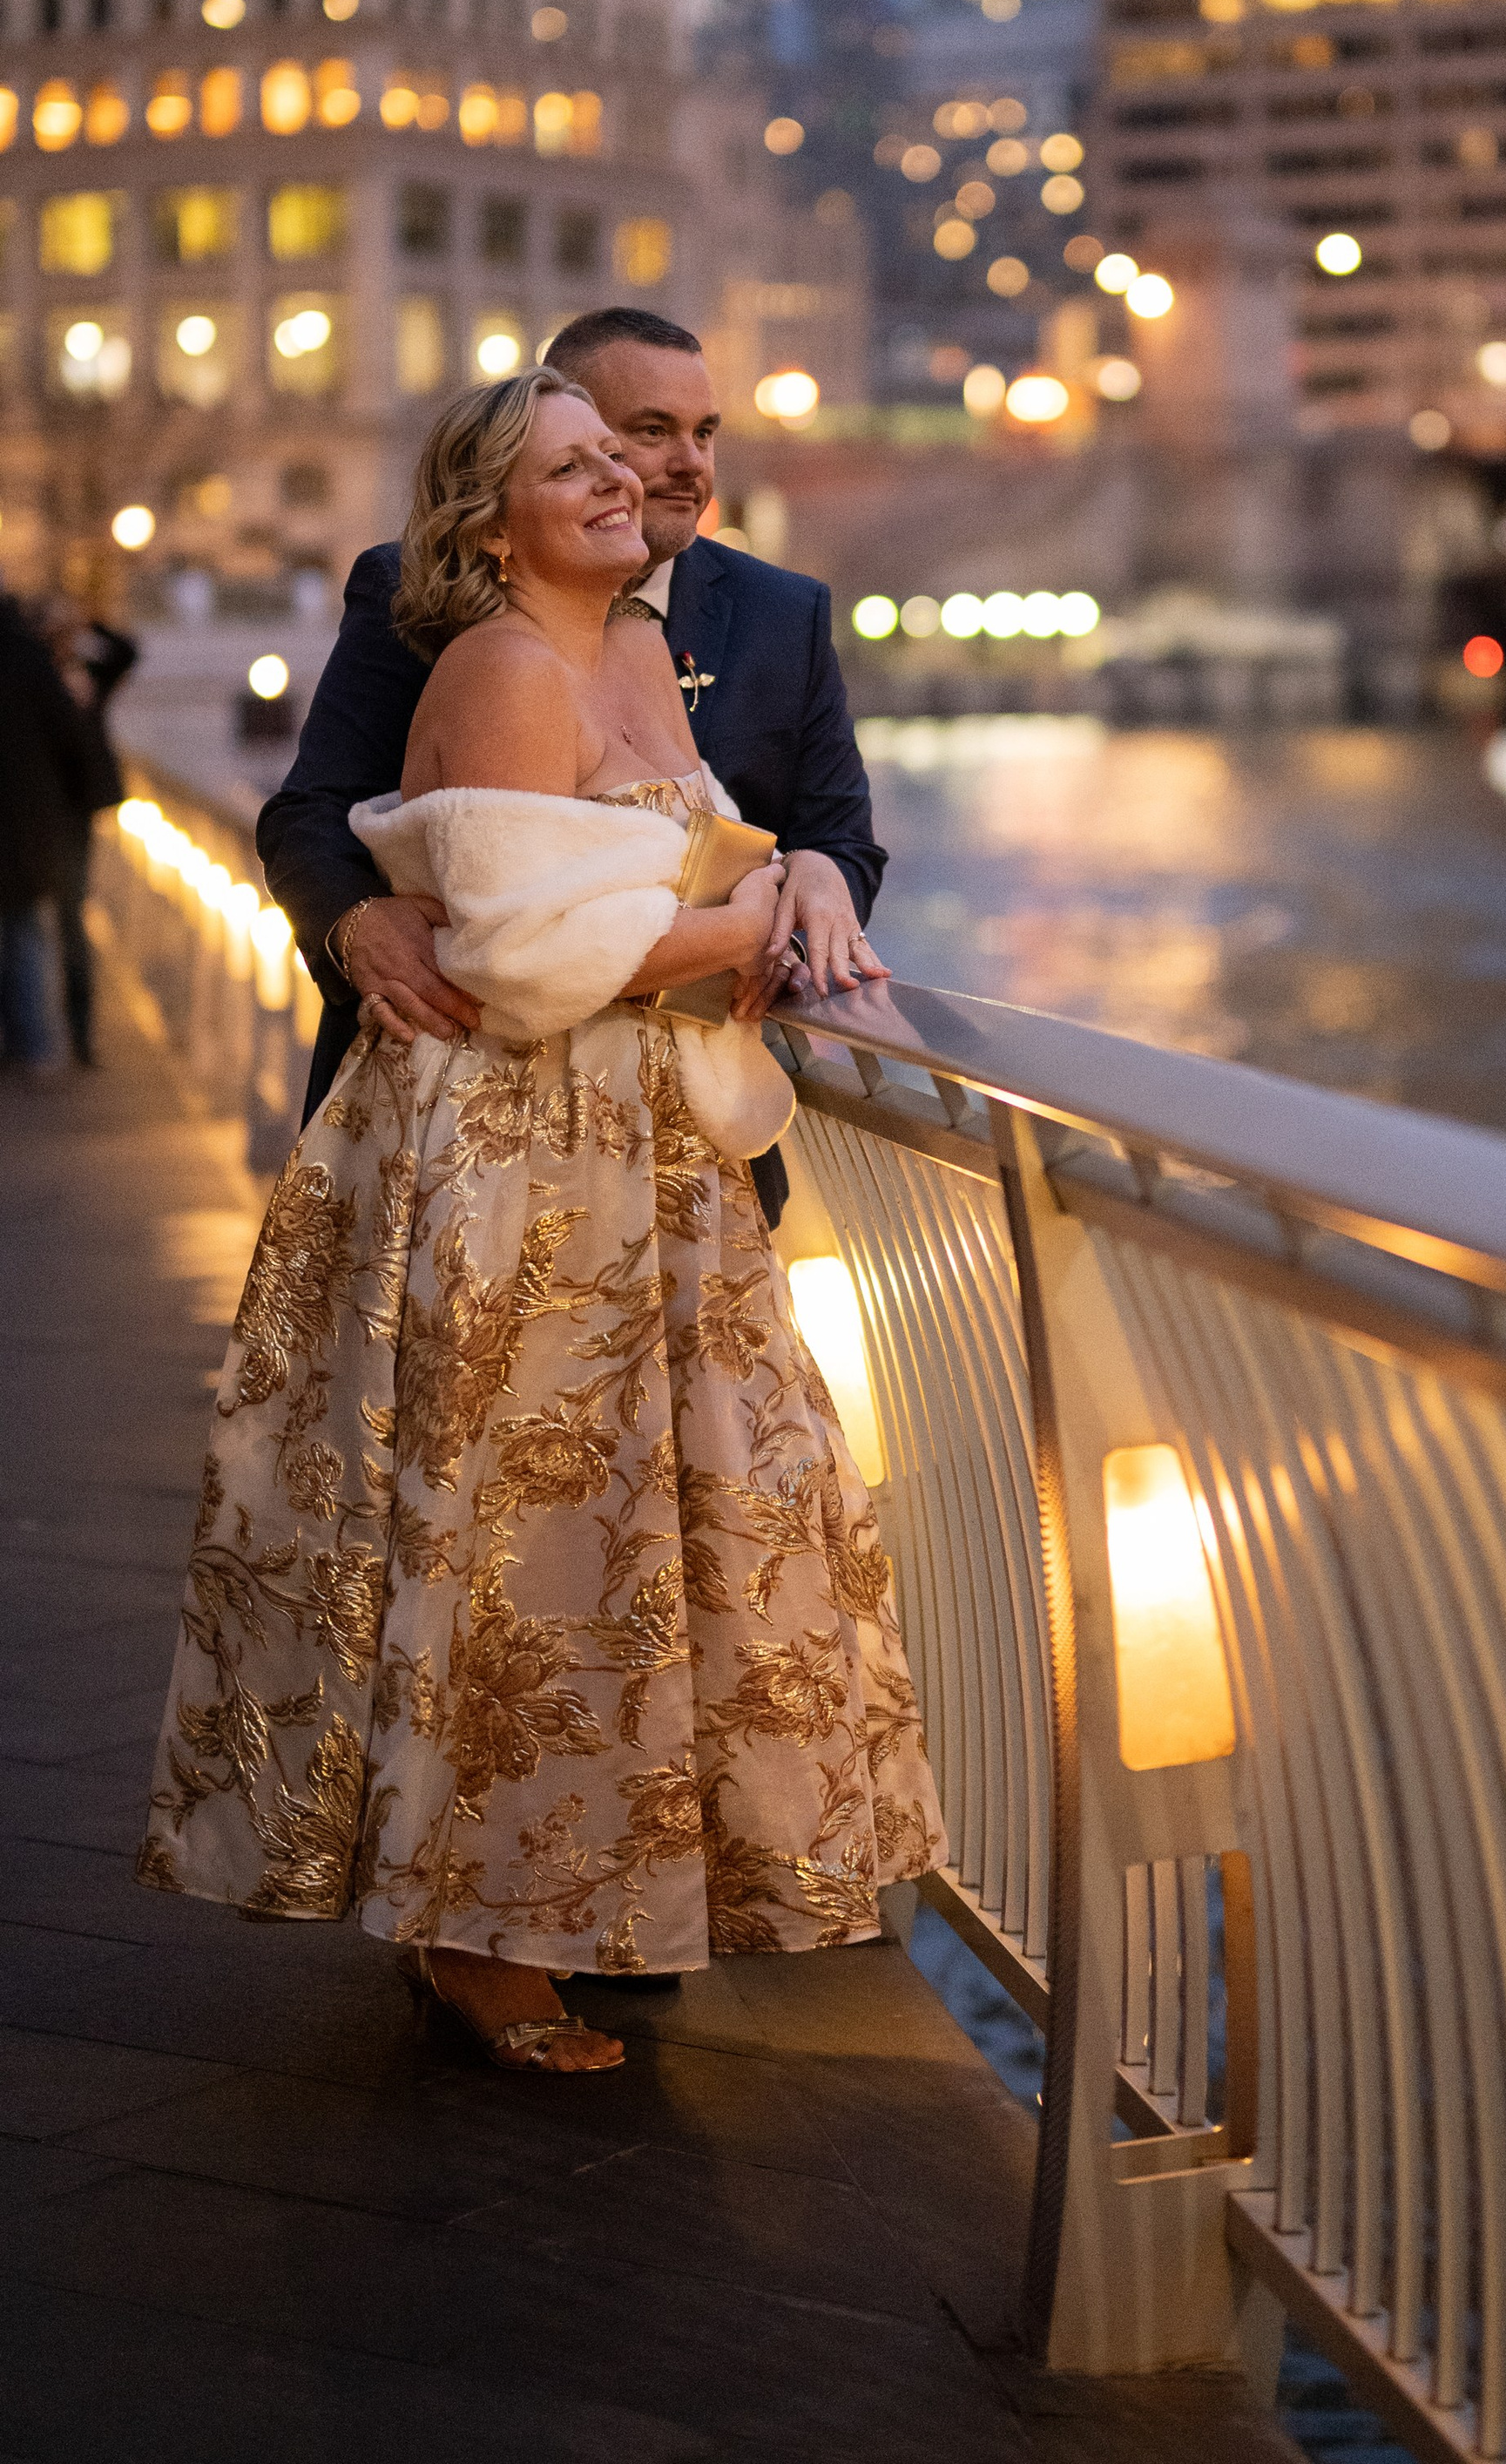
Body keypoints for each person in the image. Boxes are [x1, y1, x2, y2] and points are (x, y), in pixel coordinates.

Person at [138, 369, 946, 2072]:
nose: (623, 480)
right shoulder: (501, 670)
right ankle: (469, 1932)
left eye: (620, 459)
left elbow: (723, 855)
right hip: (514, 1153)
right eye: (574, 464)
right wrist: (745, 931)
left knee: (647, 1539)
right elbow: (518, 959)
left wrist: (780, 888)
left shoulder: (637, 647)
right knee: (506, 1542)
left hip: (646, 1154)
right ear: (486, 520)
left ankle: (597, 1884)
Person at [258, 304, 885, 1223]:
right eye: (647, 433)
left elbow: (832, 835)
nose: (685, 464)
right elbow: (310, 812)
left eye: (704, 432)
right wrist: (356, 927)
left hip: (698, 1137)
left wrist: (814, 881)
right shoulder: (419, 594)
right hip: (499, 1129)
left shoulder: (779, 613)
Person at [0, 592, 107, 1084]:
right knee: (27, 930)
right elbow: (72, 739)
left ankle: (29, 1042)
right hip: (35, 824)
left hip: (32, 823)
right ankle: (36, 1047)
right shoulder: (32, 663)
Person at [38, 600, 136, 1069]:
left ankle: (79, 1034)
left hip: (73, 814)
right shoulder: (34, 679)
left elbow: (126, 652)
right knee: (43, 924)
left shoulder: (87, 675)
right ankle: (41, 1032)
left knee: (70, 922)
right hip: (42, 813)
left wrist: (90, 622)